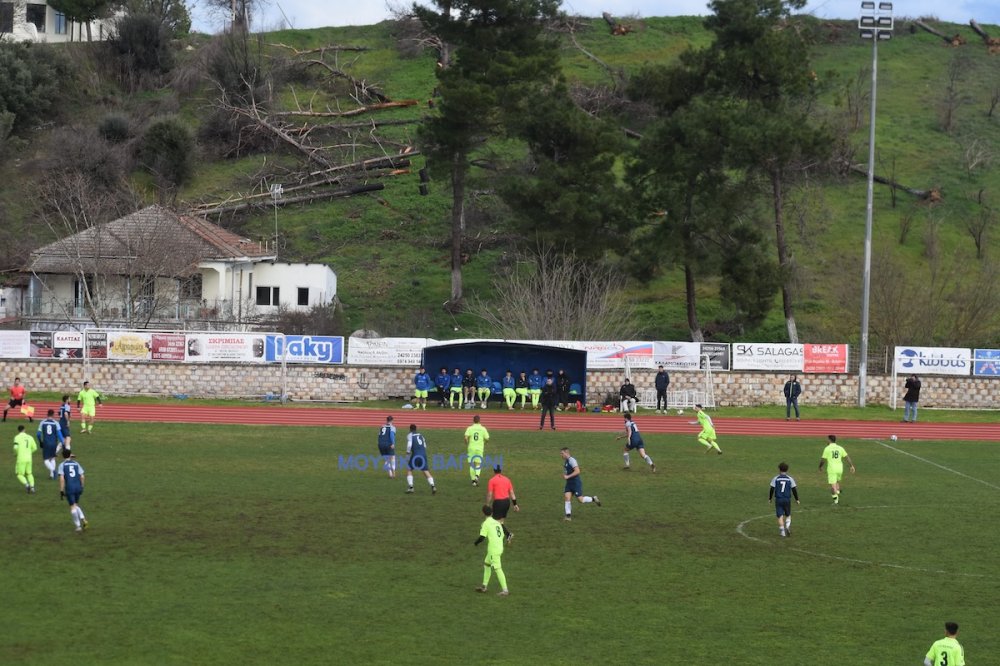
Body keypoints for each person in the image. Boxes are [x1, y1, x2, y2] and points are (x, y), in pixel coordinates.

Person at [474, 505, 509, 596]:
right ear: (492, 512)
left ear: (483, 513)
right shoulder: (497, 522)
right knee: (487, 564)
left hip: (494, 550)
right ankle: (484, 586)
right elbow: (502, 535)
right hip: (498, 547)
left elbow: (482, 537)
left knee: (498, 569)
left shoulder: (486, 523)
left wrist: (476, 543)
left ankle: (505, 590)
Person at [560, 447, 601, 521]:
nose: (561, 455)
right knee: (567, 498)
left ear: (567, 453)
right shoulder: (566, 461)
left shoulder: (572, 460)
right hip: (569, 483)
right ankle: (568, 516)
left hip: (575, 483)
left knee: (580, 500)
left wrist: (568, 476)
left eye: (562, 453)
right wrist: (565, 475)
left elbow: (577, 471)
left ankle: (593, 499)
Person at [57, 450, 88, 532]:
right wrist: (82, 486)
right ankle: (83, 519)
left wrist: (61, 490)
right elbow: (82, 476)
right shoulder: (76, 463)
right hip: (78, 486)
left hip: (70, 488)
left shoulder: (62, 465)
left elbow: (62, 479)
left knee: (72, 507)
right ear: (70, 455)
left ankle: (78, 526)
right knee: (76, 504)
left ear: (63, 456)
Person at [485, 464, 518, 542]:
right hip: (507, 502)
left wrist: (487, 504)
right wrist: (515, 504)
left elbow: (490, 494)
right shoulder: (507, 479)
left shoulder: (492, 480)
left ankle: (508, 534)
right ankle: (507, 537)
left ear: (494, 471)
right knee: (501, 521)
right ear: (501, 471)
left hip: (498, 503)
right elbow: (512, 493)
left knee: (495, 522)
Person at [819, 434, 855, 505]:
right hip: (840, 469)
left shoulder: (827, 448)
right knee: (837, 481)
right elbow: (847, 457)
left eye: (827, 439)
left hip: (832, 469)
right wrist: (851, 466)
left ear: (829, 440)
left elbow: (823, 460)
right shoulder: (840, 448)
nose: (826, 440)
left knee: (832, 487)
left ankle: (836, 501)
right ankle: (838, 490)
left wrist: (820, 467)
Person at [768, 462, 800, 537]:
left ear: (779, 469)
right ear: (787, 470)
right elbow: (794, 489)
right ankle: (788, 526)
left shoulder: (776, 478)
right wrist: (797, 499)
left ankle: (782, 532)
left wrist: (770, 498)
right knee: (788, 515)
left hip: (779, 499)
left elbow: (772, 489)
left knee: (780, 516)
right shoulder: (790, 479)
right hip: (787, 499)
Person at [405, 424, 436, 494]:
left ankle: (411, 487)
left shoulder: (410, 435)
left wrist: (407, 453)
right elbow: (425, 445)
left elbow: (409, 444)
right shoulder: (421, 435)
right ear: (416, 429)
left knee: (409, 469)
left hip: (416, 454)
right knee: (425, 470)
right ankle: (433, 485)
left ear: (410, 429)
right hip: (423, 454)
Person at [36, 408, 65, 480]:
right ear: (53, 415)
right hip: (54, 443)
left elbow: (38, 434)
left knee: (46, 460)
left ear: (47, 414)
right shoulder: (56, 423)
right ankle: (52, 475)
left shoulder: (42, 422)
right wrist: (63, 444)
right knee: (52, 458)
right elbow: (59, 435)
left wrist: (40, 442)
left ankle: (53, 471)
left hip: (46, 443)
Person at [465, 414, 490, 486]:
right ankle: (477, 476)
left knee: (471, 464)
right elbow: (487, 438)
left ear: (473, 421)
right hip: (479, 448)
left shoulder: (470, 428)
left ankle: (473, 481)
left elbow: (466, 437)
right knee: (478, 464)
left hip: (471, 448)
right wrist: (485, 443)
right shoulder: (483, 428)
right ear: (479, 421)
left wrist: (467, 443)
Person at [13, 424, 37, 494]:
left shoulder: (17, 437)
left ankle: (27, 485)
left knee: (19, 474)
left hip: (21, 458)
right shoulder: (30, 437)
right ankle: (32, 487)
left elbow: (15, 447)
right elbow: (35, 448)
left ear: (18, 430)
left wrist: (16, 453)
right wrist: (29, 452)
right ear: (24, 430)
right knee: (29, 473)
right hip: (29, 458)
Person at [377, 415, 396, 479]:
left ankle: (390, 474)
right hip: (388, 444)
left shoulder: (382, 427)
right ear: (392, 420)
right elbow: (391, 435)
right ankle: (394, 473)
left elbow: (379, 436)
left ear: (386, 420)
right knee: (392, 458)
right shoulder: (392, 427)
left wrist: (380, 443)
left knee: (386, 459)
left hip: (380, 444)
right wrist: (393, 443)